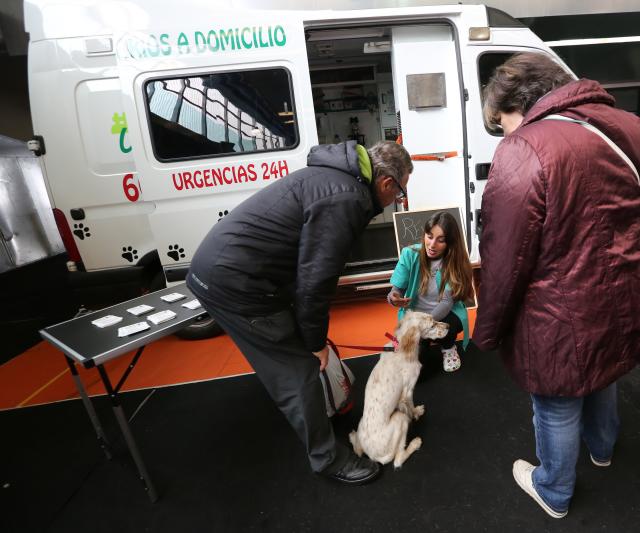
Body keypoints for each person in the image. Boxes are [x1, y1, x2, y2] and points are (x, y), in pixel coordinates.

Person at [472, 52, 640, 518]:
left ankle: (553, 489)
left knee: (557, 395)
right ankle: (602, 448)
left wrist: (488, 330)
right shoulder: (632, 126)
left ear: (518, 103)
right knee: (604, 369)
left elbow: (505, 258)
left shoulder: (526, 148)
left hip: (561, 307)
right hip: (627, 292)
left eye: (500, 122)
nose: (503, 133)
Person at [186, 140, 413, 485]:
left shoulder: (333, 175)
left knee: (301, 342)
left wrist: (311, 332)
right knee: (299, 368)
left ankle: (321, 413)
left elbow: (301, 264)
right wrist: (315, 341)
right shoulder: (346, 198)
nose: (396, 200)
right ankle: (328, 458)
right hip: (235, 282)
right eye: (399, 193)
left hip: (228, 268)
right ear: (386, 184)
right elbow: (315, 281)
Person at [387, 211, 473, 372]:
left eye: (441, 240)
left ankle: (448, 347)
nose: (432, 245)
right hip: (414, 318)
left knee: (449, 325)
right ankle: (421, 343)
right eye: (429, 236)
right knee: (413, 371)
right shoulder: (409, 254)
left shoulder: (455, 262)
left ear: (450, 243)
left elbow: (447, 303)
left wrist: (421, 327)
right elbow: (395, 290)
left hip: (444, 315)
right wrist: (394, 297)